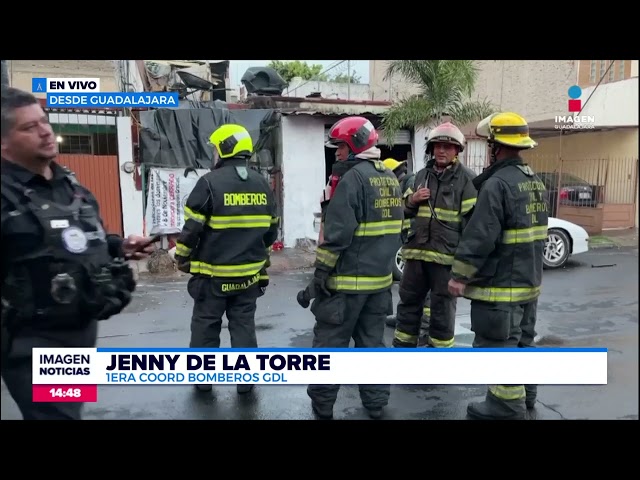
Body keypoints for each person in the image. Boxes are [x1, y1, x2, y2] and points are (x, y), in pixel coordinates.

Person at [0, 86, 155, 420]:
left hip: (81, 332)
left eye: (44, 121)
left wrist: (119, 246)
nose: (45, 131)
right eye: (29, 127)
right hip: (32, 340)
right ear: (4, 143)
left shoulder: (69, 186)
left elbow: (82, 240)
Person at [447, 112, 548, 420]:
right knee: (522, 343)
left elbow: (480, 236)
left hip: (501, 287)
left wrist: (459, 276)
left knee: (498, 346)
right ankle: (526, 396)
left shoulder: (498, 185)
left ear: (495, 146)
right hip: (529, 284)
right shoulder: (535, 183)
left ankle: (505, 406)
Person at [306, 116, 403, 420]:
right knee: (372, 346)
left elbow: (336, 238)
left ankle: (322, 407)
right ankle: (375, 404)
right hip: (379, 286)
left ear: (355, 146)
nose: (336, 153)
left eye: (340, 147)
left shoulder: (352, 180)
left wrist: (319, 275)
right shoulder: (389, 178)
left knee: (328, 348)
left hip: (346, 287)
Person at [173, 123, 279, 395]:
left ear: (224, 149)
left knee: (206, 327)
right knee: (244, 328)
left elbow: (191, 230)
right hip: (248, 278)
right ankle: (245, 382)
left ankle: (203, 380)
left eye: (215, 148)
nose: (213, 154)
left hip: (212, 279)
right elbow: (271, 232)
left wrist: (182, 258)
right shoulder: (263, 185)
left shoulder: (209, 182)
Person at [393, 122, 477, 349]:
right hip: (416, 255)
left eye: (448, 147)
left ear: (457, 150)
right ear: (431, 149)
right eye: (437, 146)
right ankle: (403, 348)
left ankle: (439, 354)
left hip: (445, 258)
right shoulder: (420, 176)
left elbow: (472, 227)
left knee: (442, 308)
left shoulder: (467, 180)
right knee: (408, 303)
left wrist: (464, 268)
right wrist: (412, 200)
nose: (441, 151)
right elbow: (402, 211)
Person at [381, 158, 431, 346]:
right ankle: (407, 323)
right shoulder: (408, 182)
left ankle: (423, 328)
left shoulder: (410, 182)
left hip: (420, 239)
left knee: (424, 291)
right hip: (413, 240)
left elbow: (409, 210)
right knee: (409, 287)